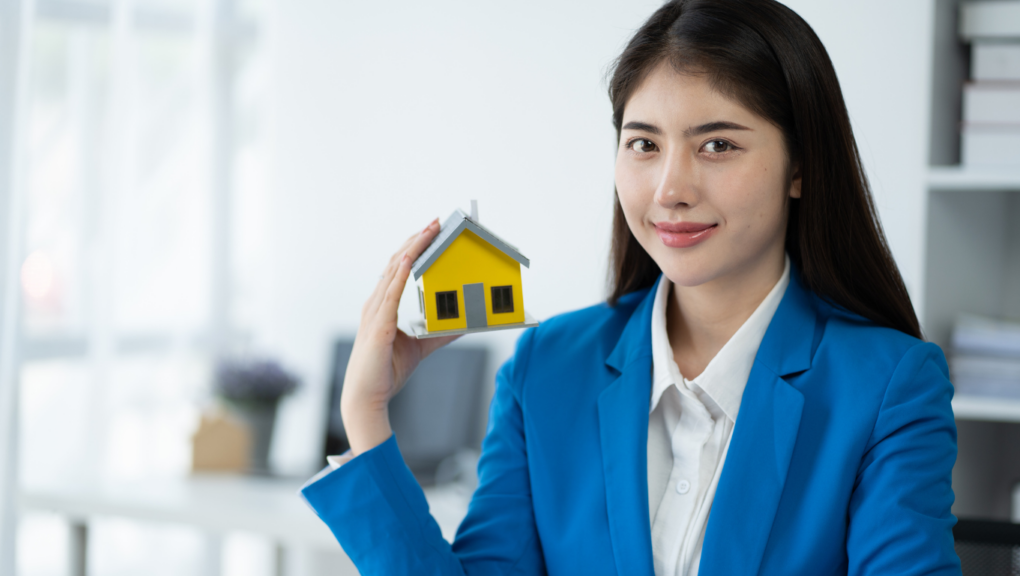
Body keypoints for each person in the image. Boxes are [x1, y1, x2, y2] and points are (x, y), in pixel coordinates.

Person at [300, 0, 961, 574]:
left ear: (800, 167)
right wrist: (366, 413)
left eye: (718, 146)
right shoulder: (546, 369)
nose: (670, 190)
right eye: (643, 145)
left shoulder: (888, 387)